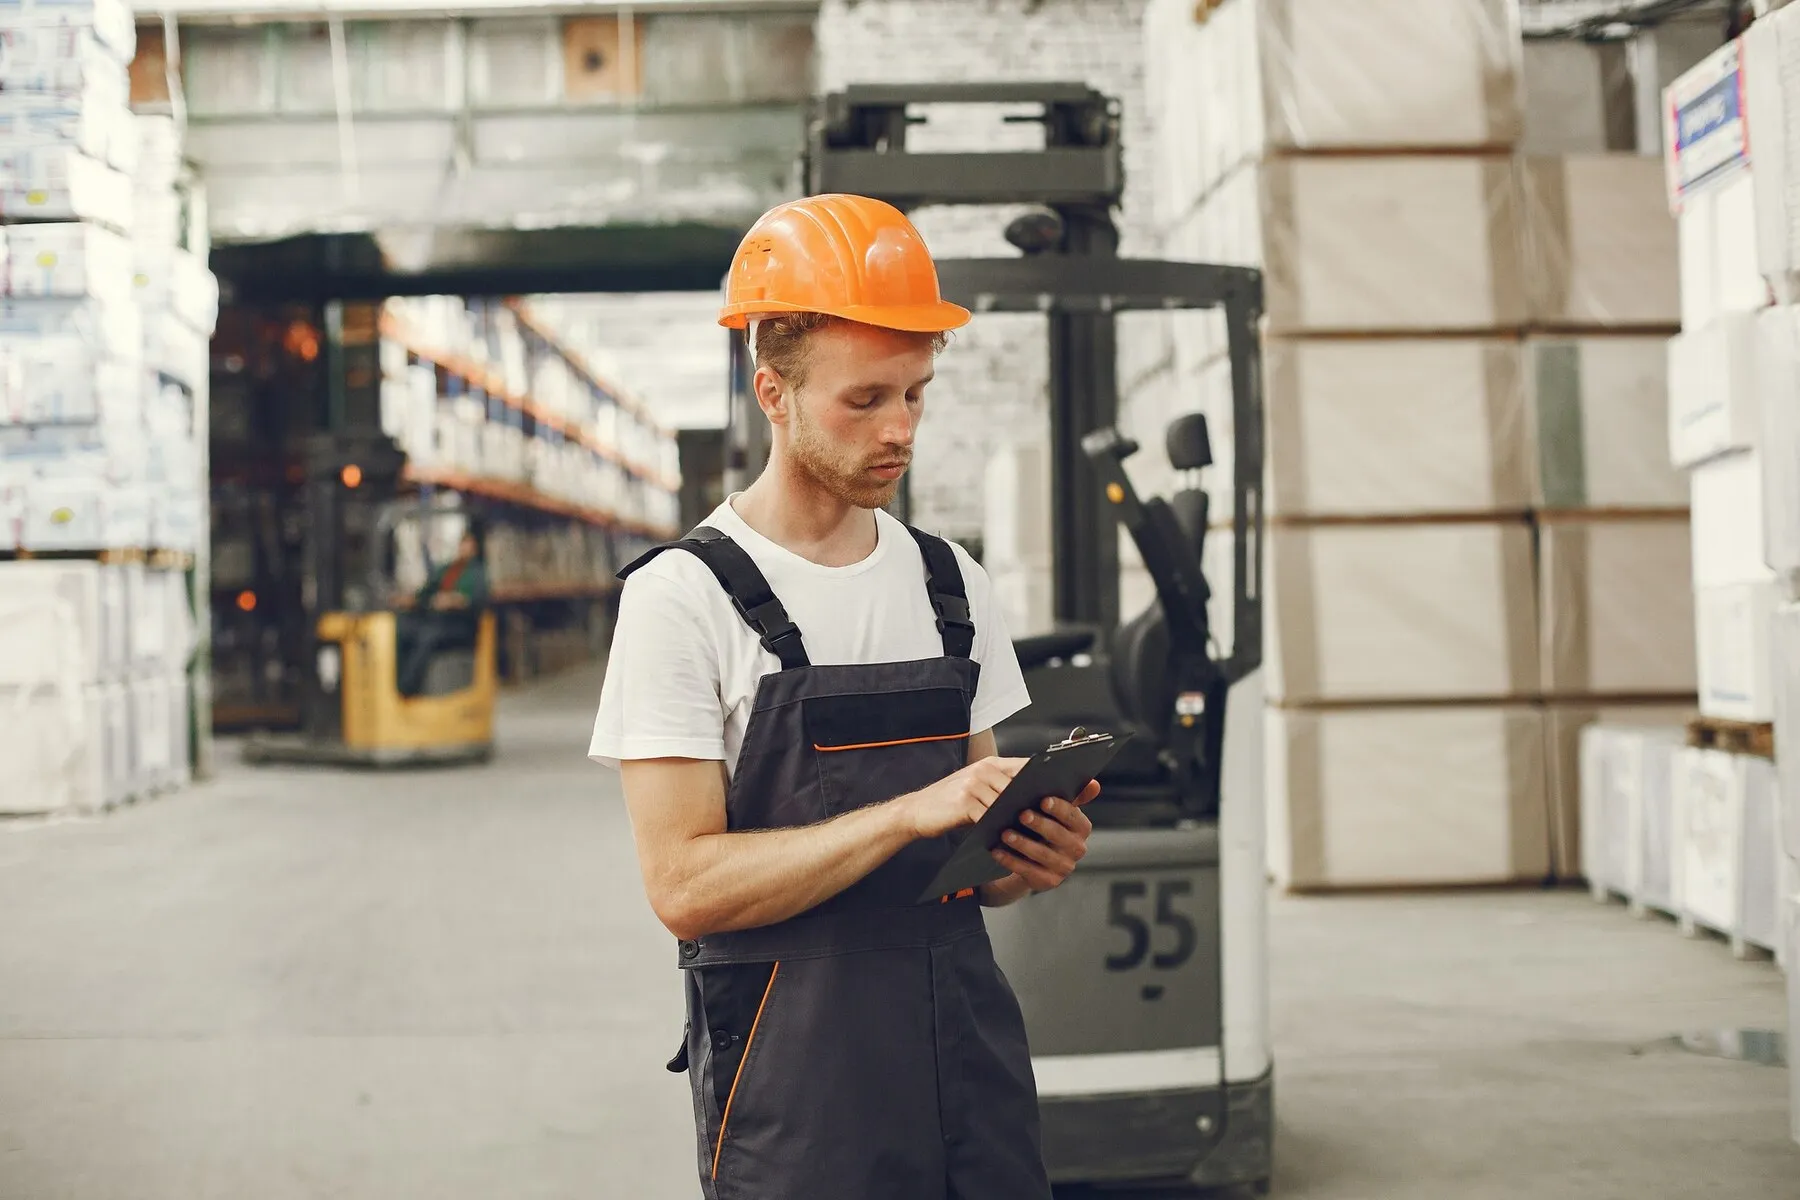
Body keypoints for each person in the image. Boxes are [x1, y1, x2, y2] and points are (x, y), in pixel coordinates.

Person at [588, 193, 1100, 1200]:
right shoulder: (684, 600)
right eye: (864, 400)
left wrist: (1020, 860)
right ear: (771, 391)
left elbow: (973, 859)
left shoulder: (952, 582)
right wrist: (907, 813)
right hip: (799, 1087)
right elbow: (683, 888)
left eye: (916, 394)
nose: (900, 429)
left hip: (967, 1058)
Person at [395, 516, 489, 698]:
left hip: (459, 624)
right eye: (462, 543)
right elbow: (427, 590)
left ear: (475, 547)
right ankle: (396, 681)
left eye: (468, 544)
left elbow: (476, 598)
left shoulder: (477, 572)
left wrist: (454, 600)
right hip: (435, 619)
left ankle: (408, 686)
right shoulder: (448, 568)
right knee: (401, 628)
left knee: (427, 636)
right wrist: (408, 599)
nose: (464, 548)